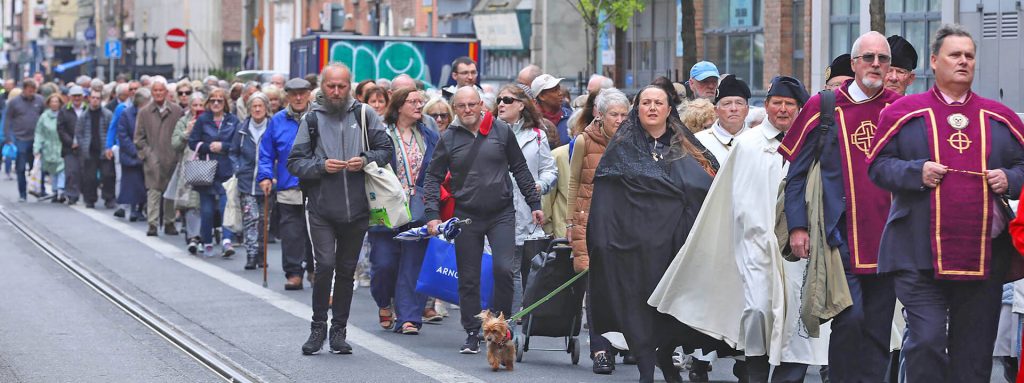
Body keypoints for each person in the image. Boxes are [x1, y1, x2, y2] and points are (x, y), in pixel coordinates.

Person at [867, 24, 1024, 382]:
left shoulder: (1001, 118)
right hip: (918, 254)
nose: (964, 61)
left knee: (974, 354)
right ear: (935, 61)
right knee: (926, 340)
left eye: (969, 55)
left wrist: (1011, 179)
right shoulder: (904, 113)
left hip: (983, 257)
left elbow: (1023, 167)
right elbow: (877, 167)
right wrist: (915, 172)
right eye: (955, 55)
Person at [653, 76, 827, 382]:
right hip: (755, 246)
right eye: (777, 103)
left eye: (790, 104)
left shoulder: (812, 145)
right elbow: (728, 201)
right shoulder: (748, 145)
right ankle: (754, 369)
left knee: (796, 323)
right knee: (758, 312)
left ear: (800, 109)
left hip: (797, 250)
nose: (783, 110)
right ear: (767, 106)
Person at [778, 31, 903, 382]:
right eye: (868, 58)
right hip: (839, 235)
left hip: (889, 237)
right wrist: (799, 226)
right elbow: (796, 174)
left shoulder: (899, 108)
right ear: (854, 63)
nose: (876, 64)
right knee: (850, 319)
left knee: (879, 328)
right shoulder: (825, 105)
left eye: (882, 59)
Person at [587, 85, 723, 383]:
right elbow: (606, 201)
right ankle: (646, 371)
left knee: (673, 313)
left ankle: (666, 354)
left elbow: (707, 186)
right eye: (645, 102)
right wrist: (603, 242)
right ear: (637, 109)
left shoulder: (686, 147)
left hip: (676, 249)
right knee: (638, 311)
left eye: (658, 102)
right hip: (634, 248)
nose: (651, 107)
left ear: (668, 109)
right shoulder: (622, 148)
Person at [423, 86, 543, 354]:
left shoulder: (501, 131)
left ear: (481, 106)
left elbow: (520, 168)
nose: (467, 110)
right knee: (468, 277)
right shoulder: (449, 138)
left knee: (503, 269)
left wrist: (534, 204)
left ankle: (498, 327)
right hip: (466, 215)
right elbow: (432, 177)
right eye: (461, 106)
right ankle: (471, 331)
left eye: (471, 105)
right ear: (455, 109)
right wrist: (432, 215)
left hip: (501, 213)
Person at [290, 63, 393, 355]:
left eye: (342, 86)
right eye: (331, 86)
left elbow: (386, 150)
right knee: (325, 266)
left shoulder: (364, 113)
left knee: (347, 271)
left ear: (350, 86)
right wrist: (321, 167)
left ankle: (339, 331)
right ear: (322, 86)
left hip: (358, 208)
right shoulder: (311, 119)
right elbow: (294, 162)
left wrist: (365, 159)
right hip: (322, 207)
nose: (336, 92)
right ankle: (317, 327)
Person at [566, 87, 630, 375]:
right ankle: (601, 350)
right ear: (599, 115)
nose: (619, 119)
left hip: (626, 224)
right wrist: (570, 223)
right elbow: (573, 183)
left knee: (627, 286)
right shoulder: (583, 141)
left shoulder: (634, 142)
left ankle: (626, 344)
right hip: (590, 222)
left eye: (624, 114)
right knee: (596, 288)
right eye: (614, 114)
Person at [367, 88, 439, 335]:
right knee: (383, 264)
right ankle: (384, 301)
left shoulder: (429, 136)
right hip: (387, 206)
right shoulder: (381, 134)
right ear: (399, 106)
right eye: (414, 102)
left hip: (418, 207)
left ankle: (409, 317)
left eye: (421, 101)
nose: (420, 105)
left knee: (413, 263)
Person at [492, 84, 557, 319]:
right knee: (498, 266)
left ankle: (511, 318)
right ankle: (492, 314)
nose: (501, 104)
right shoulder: (489, 132)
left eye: (508, 100)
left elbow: (550, 170)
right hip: (493, 208)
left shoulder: (537, 135)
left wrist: (540, 185)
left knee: (516, 266)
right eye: (499, 99)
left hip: (524, 209)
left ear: (521, 105)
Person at [260, 78, 316, 289]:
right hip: (287, 185)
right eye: (294, 94)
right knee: (291, 233)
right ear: (287, 96)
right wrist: (265, 176)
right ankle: (294, 273)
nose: (299, 97)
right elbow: (266, 153)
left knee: (316, 232)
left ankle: (314, 270)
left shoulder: (318, 117)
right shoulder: (277, 120)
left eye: (302, 93)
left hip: (316, 185)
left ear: (309, 94)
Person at [189, 88, 242, 256]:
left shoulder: (233, 120)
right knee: (206, 210)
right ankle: (207, 241)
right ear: (208, 103)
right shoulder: (202, 120)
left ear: (225, 103)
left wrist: (223, 146)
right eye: (213, 100)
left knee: (226, 207)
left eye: (220, 100)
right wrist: (208, 146)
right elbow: (192, 142)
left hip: (226, 170)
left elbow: (238, 143)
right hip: (206, 170)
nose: (216, 103)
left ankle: (227, 241)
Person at [135, 79, 185, 236]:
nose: (158, 93)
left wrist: (178, 154)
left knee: (170, 192)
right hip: (153, 158)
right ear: (151, 92)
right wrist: (147, 154)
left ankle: (169, 222)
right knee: (154, 192)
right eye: (155, 90)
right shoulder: (144, 112)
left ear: (166, 93)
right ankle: (153, 224)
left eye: (161, 90)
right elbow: (138, 138)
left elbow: (181, 133)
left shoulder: (177, 111)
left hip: (172, 158)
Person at [230, 91, 271, 270]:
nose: (257, 109)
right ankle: (251, 253)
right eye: (253, 106)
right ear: (249, 109)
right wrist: (238, 169)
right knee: (251, 218)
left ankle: (262, 252)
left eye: (260, 106)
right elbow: (233, 152)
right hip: (246, 181)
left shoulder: (272, 127)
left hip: (267, 181)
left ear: (266, 108)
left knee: (263, 219)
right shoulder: (241, 129)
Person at [172, 92, 205, 253]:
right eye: (195, 105)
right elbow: (175, 144)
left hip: (206, 164)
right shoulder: (183, 121)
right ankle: (193, 236)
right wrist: (187, 132)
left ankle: (200, 235)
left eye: (201, 105)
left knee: (201, 202)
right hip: (188, 165)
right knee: (190, 202)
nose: (198, 108)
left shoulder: (208, 120)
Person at [695, 74, 752, 162]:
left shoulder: (759, 141)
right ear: (716, 110)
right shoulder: (699, 142)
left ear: (747, 109)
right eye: (727, 103)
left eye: (739, 103)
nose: (734, 108)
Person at [5, 79, 44, 202]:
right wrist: (8, 137)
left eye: (33, 90)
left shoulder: (39, 100)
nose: (31, 92)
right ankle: (22, 193)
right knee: (21, 167)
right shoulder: (14, 102)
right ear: (24, 89)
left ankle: (39, 190)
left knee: (37, 166)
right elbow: (8, 120)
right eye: (29, 90)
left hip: (36, 138)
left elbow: (44, 117)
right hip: (20, 138)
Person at [75, 89, 114, 209]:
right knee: (90, 177)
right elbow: (79, 132)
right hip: (90, 150)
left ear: (101, 100)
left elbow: (111, 130)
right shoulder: (84, 115)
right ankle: (90, 199)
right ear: (89, 99)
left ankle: (109, 198)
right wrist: (83, 145)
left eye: (97, 98)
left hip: (104, 149)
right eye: (93, 97)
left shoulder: (107, 114)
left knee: (107, 175)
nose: (95, 100)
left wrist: (109, 146)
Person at [116, 88, 150, 221]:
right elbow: (123, 135)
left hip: (145, 154)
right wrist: (135, 152)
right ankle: (133, 208)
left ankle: (141, 208)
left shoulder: (148, 115)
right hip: (130, 155)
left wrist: (145, 151)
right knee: (132, 184)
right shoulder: (126, 114)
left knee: (144, 183)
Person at [58, 85, 87, 205]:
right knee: (71, 171)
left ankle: (84, 193)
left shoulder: (87, 109)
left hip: (84, 146)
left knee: (83, 171)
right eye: (74, 96)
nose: (77, 98)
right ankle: (71, 194)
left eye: (79, 96)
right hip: (69, 147)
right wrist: (70, 142)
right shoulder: (64, 110)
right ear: (70, 97)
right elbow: (60, 129)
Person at [34, 93, 66, 201]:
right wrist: (37, 147)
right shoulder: (44, 116)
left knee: (62, 168)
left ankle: (61, 189)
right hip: (48, 147)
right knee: (53, 170)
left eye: (56, 101)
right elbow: (39, 132)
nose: (54, 104)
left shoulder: (63, 114)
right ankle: (55, 190)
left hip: (61, 145)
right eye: (52, 101)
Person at [531, 74, 571, 146]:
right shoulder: (530, 120)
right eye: (555, 90)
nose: (560, 93)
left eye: (559, 89)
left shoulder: (571, 117)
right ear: (541, 96)